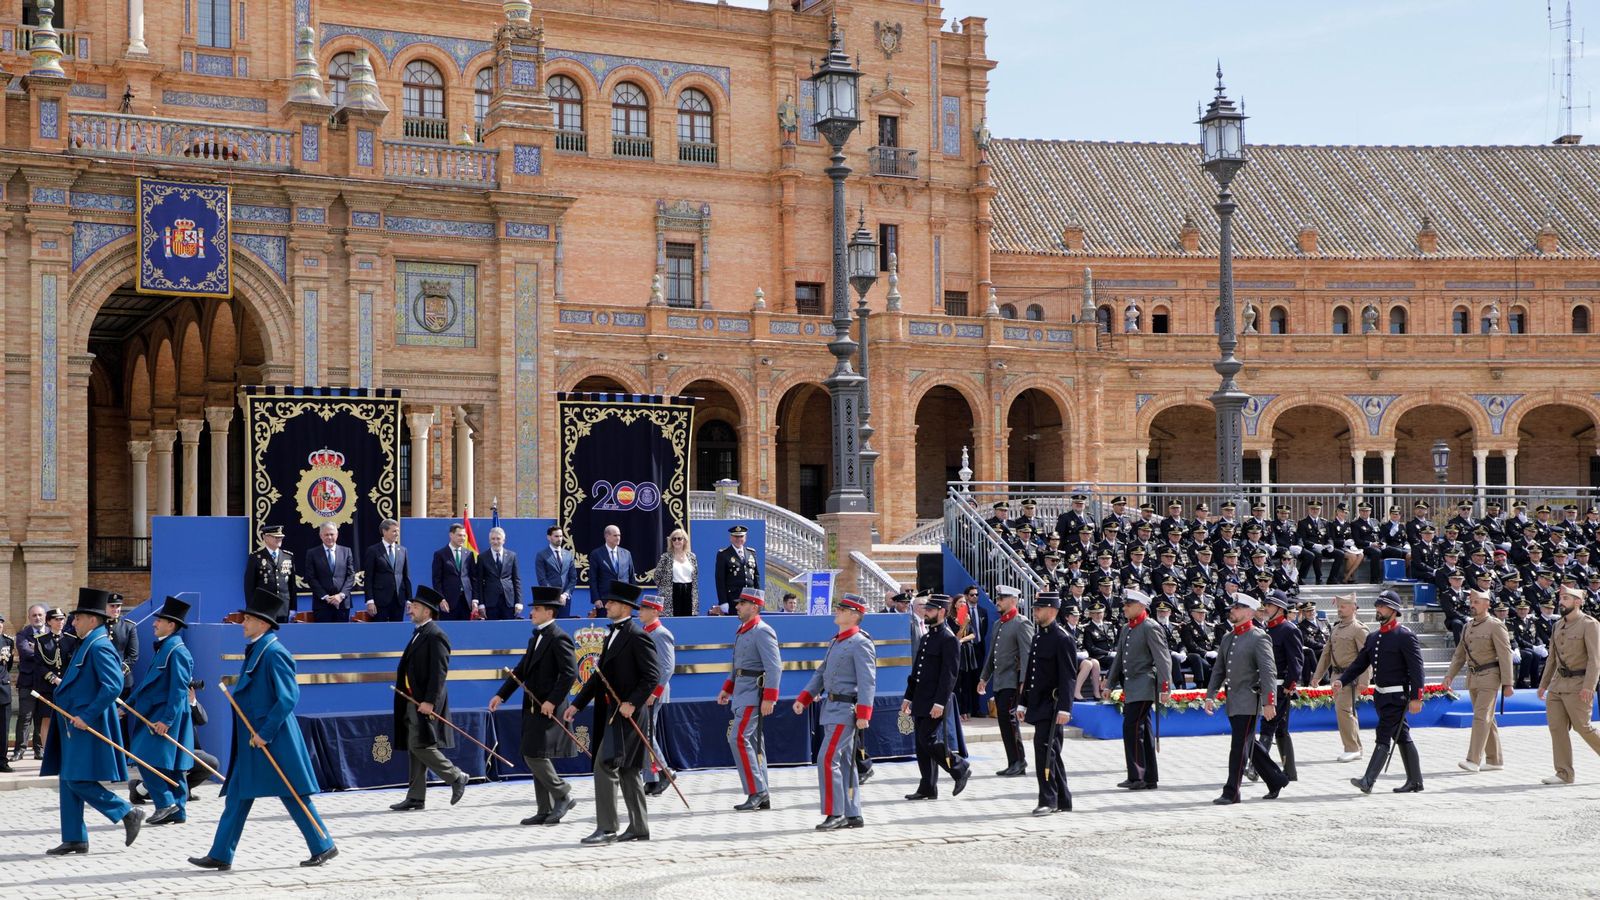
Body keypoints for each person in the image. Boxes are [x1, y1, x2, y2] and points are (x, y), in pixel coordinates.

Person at [190, 589, 336, 871]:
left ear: (263, 623)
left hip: (273, 738)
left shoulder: (275, 653)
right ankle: (220, 853)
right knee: (238, 794)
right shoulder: (259, 648)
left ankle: (323, 845)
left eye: (247, 619)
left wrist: (265, 733)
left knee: (292, 793)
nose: (242, 623)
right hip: (253, 740)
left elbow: (288, 698)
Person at [40, 588, 144, 855]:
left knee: (76, 779)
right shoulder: (88, 642)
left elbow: (113, 685)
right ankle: (75, 837)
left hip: (85, 724)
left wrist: (87, 716)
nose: (73, 622)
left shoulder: (99, 646)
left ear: (92, 620)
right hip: (72, 723)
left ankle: (126, 812)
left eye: (78, 618)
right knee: (68, 779)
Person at [564, 582, 659, 845]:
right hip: (611, 711)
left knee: (605, 764)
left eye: (612, 602)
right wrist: (577, 704)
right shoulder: (611, 635)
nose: (607, 605)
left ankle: (607, 828)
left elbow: (652, 676)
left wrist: (633, 702)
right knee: (628, 769)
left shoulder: (637, 636)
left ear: (626, 607)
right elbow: (599, 677)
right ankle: (639, 827)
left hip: (627, 713)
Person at [491, 586, 578, 825]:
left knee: (533, 754)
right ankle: (544, 809)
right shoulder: (535, 637)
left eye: (537, 609)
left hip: (548, 706)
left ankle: (562, 794)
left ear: (549, 612)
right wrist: (501, 695)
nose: (532, 613)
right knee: (535, 752)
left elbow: (570, 673)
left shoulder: (559, 637)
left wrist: (552, 701)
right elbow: (521, 671)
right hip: (532, 705)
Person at [793, 594, 876, 830]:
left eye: (842, 609)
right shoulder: (837, 641)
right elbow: (821, 673)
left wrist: (864, 713)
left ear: (854, 615)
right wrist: (805, 697)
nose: (837, 611)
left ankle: (835, 812)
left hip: (845, 710)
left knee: (827, 758)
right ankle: (852, 813)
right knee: (846, 762)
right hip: (831, 708)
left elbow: (867, 681)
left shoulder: (861, 642)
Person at [1334, 589, 1425, 794]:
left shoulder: (1404, 636)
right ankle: (1415, 781)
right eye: (1377, 606)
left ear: (1393, 610)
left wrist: (1416, 697)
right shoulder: (1374, 637)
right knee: (1402, 736)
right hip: (1381, 695)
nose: (1378, 609)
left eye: (1382, 606)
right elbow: (1360, 663)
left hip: (1397, 696)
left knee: (1383, 734)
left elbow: (1416, 669)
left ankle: (1368, 781)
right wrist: (1342, 680)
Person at [388, 586, 470, 811]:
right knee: (415, 745)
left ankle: (456, 776)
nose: (410, 610)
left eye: (415, 607)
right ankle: (416, 796)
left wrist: (430, 701)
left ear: (427, 611)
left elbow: (439, 673)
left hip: (424, 701)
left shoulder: (436, 635)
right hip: (411, 699)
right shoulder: (419, 633)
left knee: (420, 745)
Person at [1203, 594, 1290, 804]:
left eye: (1238, 607)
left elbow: (1268, 672)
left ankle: (1232, 792)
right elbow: (1219, 670)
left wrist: (1269, 702)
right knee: (1248, 742)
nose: (1232, 610)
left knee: (1239, 747)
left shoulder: (1258, 637)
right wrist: (1210, 695)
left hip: (1249, 700)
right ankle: (1276, 779)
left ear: (1250, 612)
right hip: (1234, 700)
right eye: (1233, 607)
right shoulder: (1228, 637)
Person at [125, 596, 195, 825]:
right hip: (158, 712)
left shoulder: (177, 651)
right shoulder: (166, 647)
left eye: (159, 621)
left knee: (144, 757)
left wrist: (167, 720)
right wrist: (127, 705)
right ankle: (178, 810)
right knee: (172, 765)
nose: (154, 624)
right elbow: (148, 683)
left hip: (165, 715)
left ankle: (166, 804)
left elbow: (179, 690)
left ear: (171, 625)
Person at [902, 593, 971, 800]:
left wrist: (940, 702)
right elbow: (917, 671)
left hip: (936, 700)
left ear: (942, 612)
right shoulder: (927, 637)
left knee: (927, 739)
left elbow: (949, 675)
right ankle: (928, 787)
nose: (926, 613)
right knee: (921, 744)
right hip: (921, 698)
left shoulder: (948, 639)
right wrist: (908, 697)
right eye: (926, 609)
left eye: (930, 610)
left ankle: (959, 767)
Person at [718, 587, 781, 810]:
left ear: (754, 607)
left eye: (742, 603)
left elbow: (774, 667)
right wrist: (728, 688)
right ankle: (762, 794)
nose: (737, 607)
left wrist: (770, 698)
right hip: (741, 694)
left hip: (754, 695)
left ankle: (757, 790)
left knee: (737, 738)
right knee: (753, 744)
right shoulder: (743, 630)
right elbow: (738, 665)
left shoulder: (762, 631)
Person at [1016, 590, 1076, 816]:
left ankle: (1048, 800)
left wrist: (1065, 708)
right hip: (1038, 702)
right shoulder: (1038, 636)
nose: (1035, 612)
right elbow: (1031, 672)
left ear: (1052, 610)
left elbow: (1068, 677)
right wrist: (1023, 702)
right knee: (1050, 751)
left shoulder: (1062, 638)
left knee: (1045, 751)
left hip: (1052, 704)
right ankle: (1063, 799)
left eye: (1039, 609)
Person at [1441, 589, 1514, 773]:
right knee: (1487, 718)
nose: (1472, 605)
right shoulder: (1468, 626)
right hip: (1473, 677)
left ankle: (1473, 760)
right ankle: (1495, 760)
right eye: (1471, 602)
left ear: (1487, 604)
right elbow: (1460, 654)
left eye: (1476, 602)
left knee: (1481, 717)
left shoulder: (1495, 625)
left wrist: (1508, 683)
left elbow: (1505, 655)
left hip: (1490, 676)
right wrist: (1450, 675)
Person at [1105, 589, 1171, 791]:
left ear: (1141, 606)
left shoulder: (1150, 627)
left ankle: (1137, 776)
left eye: (1128, 605)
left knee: (1131, 727)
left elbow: (1162, 659)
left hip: (1144, 684)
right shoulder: (1128, 628)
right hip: (1132, 685)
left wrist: (1165, 687)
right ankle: (1149, 776)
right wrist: (1109, 683)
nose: (1124, 608)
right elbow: (1119, 658)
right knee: (1142, 729)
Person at [1536, 585, 1600, 785]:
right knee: (1557, 728)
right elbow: (1552, 658)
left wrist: (1589, 686)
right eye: (1561, 598)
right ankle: (1564, 773)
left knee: (1583, 727)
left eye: (1566, 598)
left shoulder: (1589, 624)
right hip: (1557, 684)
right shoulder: (1557, 625)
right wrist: (1543, 684)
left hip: (1579, 684)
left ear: (1578, 602)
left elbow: (1595, 659)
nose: (1561, 602)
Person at [978, 584, 1033, 778]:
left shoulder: (1021, 623)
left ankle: (1019, 760)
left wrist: (1024, 682)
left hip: (1013, 681)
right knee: (1004, 721)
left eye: (1002, 599)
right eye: (998, 598)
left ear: (1013, 600)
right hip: (1000, 681)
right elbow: (992, 654)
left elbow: (1027, 656)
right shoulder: (998, 624)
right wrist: (984, 677)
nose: (998, 602)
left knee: (1009, 721)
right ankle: (1014, 761)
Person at [1311, 594, 1370, 762]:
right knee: (1347, 712)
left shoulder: (1359, 629)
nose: (1339, 609)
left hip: (1351, 677)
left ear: (1353, 608)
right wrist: (1317, 676)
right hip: (1336, 676)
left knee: (1343, 709)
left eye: (1343, 606)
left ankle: (1351, 748)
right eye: (1338, 606)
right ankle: (1357, 748)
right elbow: (1326, 653)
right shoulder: (1336, 628)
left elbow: (1366, 656)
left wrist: (1364, 680)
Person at [1256, 591, 1303, 782]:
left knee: (1268, 726)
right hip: (1269, 684)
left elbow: (1296, 661)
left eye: (1270, 605)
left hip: (1280, 686)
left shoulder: (1288, 629)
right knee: (1280, 728)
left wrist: (1290, 684)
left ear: (1280, 608)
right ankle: (1290, 771)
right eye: (1266, 604)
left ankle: (1256, 768)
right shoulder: (1267, 629)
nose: (1266, 608)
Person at [637, 594, 677, 796]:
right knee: (645, 732)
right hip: (645, 690)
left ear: (655, 611)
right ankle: (651, 778)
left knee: (645, 732)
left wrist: (655, 692)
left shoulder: (661, 634)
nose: (640, 612)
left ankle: (664, 771)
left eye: (644, 608)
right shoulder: (646, 632)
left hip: (653, 691)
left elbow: (667, 667)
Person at [34, 608, 78, 761]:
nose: (60, 622)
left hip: (67, 685)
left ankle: (67, 750)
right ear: (49, 621)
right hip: (48, 686)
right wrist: (54, 678)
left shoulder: (71, 639)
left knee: (67, 717)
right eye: (57, 619)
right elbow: (39, 665)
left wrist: (66, 680)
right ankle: (48, 752)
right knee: (47, 718)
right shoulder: (41, 640)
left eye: (62, 619)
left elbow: (75, 663)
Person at [12, 604, 47, 760]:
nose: (37, 618)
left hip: (45, 683)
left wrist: (36, 649)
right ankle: (19, 750)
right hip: (27, 682)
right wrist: (44, 652)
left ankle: (39, 750)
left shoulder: (50, 633)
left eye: (40, 615)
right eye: (34, 615)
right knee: (25, 717)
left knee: (41, 717)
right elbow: (25, 652)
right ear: (29, 618)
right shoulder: (22, 634)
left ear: (45, 617)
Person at [303, 522, 356, 623]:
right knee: (323, 633)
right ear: (321, 536)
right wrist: (326, 597)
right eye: (326, 535)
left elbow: (351, 576)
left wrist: (341, 595)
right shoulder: (312, 553)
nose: (329, 537)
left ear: (337, 534)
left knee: (343, 633)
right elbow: (311, 578)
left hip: (342, 604)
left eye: (332, 534)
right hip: (322, 604)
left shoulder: (346, 551)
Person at [244, 524, 297, 623]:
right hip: (263, 609)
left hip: (283, 608)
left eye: (280, 537)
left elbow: (292, 586)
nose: (279, 539)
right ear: (265, 537)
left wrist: (293, 608)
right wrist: (251, 609)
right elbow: (249, 586)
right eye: (275, 537)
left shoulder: (288, 556)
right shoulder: (256, 557)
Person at [363, 519, 413, 623]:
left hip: (398, 600)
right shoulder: (373, 550)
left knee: (397, 629)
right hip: (380, 601)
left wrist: (409, 600)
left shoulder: (403, 550)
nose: (397, 534)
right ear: (384, 531)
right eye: (394, 531)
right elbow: (368, 578)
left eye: (398, 531)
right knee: (380, 630)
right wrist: (370, 600)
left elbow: (406, 577)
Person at [431, 523, 477, 621]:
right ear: (451, 535)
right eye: (459, 535)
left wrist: (474, 600)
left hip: (466, 602)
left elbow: (473, 578)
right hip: (448, 602)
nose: (462, 538)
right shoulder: (440, 554)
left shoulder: (469, 554)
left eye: (464, 536)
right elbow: (436, 580)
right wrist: (441, 599)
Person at [476, 527, 524, 620]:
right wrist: (481, 604)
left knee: (509, 627)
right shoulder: (482, 557)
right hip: (490, 602)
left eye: (498, 539)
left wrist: (519, 602)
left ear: (503, 540)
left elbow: (516, 580)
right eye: (493, 539)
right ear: (489, 540)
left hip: (508, 602)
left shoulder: (512, 556)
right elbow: (479, 582)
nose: (495, 541)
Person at [589, 525, 635, 618]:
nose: (618, 538)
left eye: (619, 535)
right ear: (607, 536)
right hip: (604, 601)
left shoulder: (626, 554)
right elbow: (593, 579)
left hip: (623, 601)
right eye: (615, 535)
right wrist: (596, 599)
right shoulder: (596, 554)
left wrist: (632, 599)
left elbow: (631, 577)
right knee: (605, 626)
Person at [713, 525, 760, 616]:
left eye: (741, 536)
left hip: (750, 599)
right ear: (731, 538)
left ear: (745, 538)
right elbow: (720, 580)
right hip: (733, 599)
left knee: (750, 623)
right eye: (736, 536)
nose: (738, 539)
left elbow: (756, 577)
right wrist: (723, 602)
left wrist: (758, 599)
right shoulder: (723, 554)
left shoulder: (751, 552)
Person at [652, 528, 699, 617]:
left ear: (684, 541)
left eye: (679, 538)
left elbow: (695, 575)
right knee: (674, 618)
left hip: (689, 591)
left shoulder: (692, 557)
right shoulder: (666, 557)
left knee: (688, 619)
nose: (676, 541)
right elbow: (657, 576)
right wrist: (665, 589)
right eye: (674, 539)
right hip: (673, 591)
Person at [953, 586, 983, 719]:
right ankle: (958, 711)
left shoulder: (967, 616)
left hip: (968, 654)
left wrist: (963, 640)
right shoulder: (951, 619)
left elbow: (973, 634)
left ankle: (966, 711)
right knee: (958, 684)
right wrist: (964, 624)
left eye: (964, 602)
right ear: (955, 604)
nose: (963, 604)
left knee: (967, 683)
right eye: (960, 602)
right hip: (957, 654)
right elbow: (956, 637)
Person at [533, 525, 577, 616]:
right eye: (556, 536)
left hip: (565, 600)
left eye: (561, 536)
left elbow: (573, 578)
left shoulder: (568, 554)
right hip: (549, 599)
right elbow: (542, 579)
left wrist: (565, 595)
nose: (559, 539)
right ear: (549, 537)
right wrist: (556, 596)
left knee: (564, 624)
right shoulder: (542, 555)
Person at [105, 594, 138, 692]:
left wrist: (118, 672)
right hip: (101, 679)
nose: (116, 609)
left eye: (118, 606)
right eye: (112, 606)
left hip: (122, 680)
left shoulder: (129, 627)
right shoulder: (98, 627)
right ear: (105, 607)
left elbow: (133, 656)